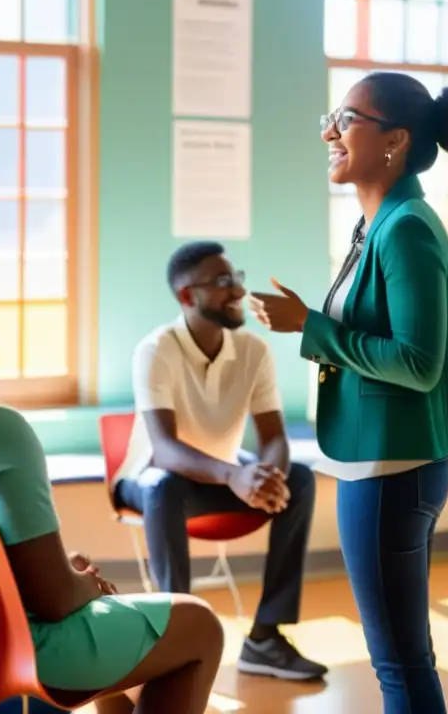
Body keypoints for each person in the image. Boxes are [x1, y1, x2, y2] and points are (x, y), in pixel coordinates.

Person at [0, 224, 223, 714]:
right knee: (198, 624)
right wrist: (85, 584)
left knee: (90, 597)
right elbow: (57, 599)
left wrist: (68, 578)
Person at [248, 71, 448, 714]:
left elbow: (417, 363)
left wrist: (311, 327)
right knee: (402, 662)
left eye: (346, 118)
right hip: (383, 462)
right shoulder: (377, 224)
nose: (328, 130)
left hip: (391, 469)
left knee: (400, 666)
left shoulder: (406, 227)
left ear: (396, 141)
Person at [112, 241, 327, 682]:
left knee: (299, 479)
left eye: (237, 278)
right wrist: (235, 475)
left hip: (221, 475)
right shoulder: (156, 350)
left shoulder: (253, 351)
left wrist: (265, 475)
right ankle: (177, 636)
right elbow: (165, 450)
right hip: (151, 478)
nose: (237, 291)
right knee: (163, 487)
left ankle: (265, 639)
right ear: (187, 297)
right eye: (222, 282)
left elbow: (274, 437)